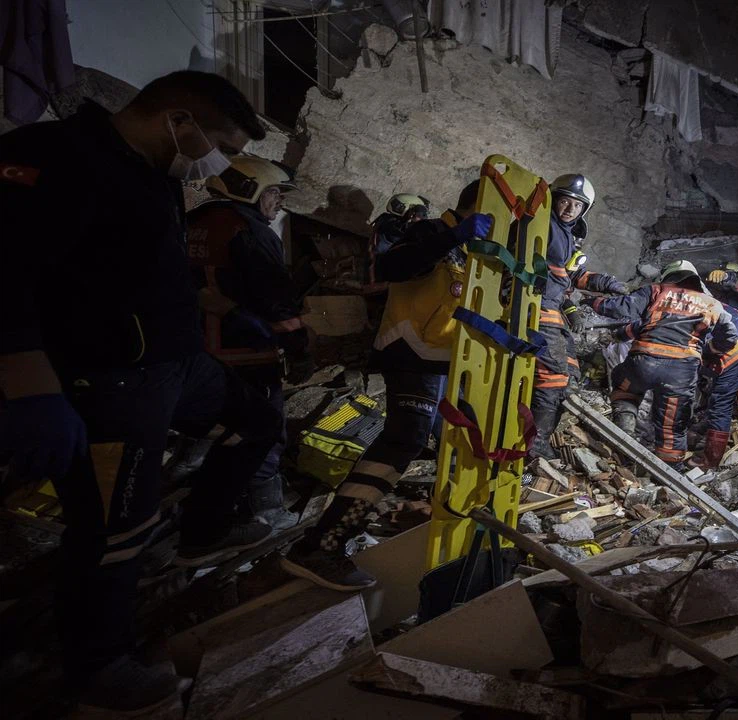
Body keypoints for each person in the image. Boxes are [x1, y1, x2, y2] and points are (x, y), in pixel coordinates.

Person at [0, 70, 280, 712]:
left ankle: (204, 531)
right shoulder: (55, 157)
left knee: (257, 424)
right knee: (116, 529)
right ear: (178, 121)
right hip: (107, 383)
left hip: (177, 365)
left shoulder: (154, 174)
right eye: (223, 147)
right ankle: (99, 668)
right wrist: (31, 388)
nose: (222, 165)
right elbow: (7, 277)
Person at [281, 183, 492, 591]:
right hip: (411, 353)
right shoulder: (432, 231)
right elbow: (391, 267)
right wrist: (454, 236)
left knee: (461, 441)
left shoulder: (476, 252)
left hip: (447, 365)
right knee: (402, 441)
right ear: (479, 207)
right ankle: (321, 545)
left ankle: (452, 539)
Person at [188, 155, 309, 530]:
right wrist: (298, 347)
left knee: (224, 425)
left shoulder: (195, 222)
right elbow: (277, 299)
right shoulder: (251, 231)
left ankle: (191, 472)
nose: (278, 201)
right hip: (246, 351)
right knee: (266, 429)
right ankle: (265, 508)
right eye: (273, 192)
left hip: (199, 351)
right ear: (249, 190)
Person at [590, 260, 738, 468]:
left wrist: (593, 303)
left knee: (624, 389)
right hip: (680, 373)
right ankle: (669, 474)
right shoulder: (711, 304)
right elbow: (730, 336)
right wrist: (710, 349)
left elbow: (624, 309)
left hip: (643, 363)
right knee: (672, 427)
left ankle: (624, 437)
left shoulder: (657, 291)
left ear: (670, 276)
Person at [530, 173, 627, 458]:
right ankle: (533, 447)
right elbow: (553, 277)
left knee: (569, 375)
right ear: (553, 200)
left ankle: (538, 439)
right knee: (555, 376)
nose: (570, 209)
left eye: (577, 205)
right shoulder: (546, 226)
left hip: (549, 309)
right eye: (565, 201)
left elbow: (568, 275)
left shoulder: (564, 234)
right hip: (537, 308)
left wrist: (604, 283)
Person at [692, 270, 738, 468]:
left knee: (720, 402)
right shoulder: (701, 299)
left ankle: (710, 460)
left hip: (736, 347)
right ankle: (708, 434)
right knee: (716, 396)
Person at [369, 193, 430, 280]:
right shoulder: (392, 225)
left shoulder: (387, 218)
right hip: (381, 271)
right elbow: (403, 234)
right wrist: (417, 220)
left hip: (379, 264)